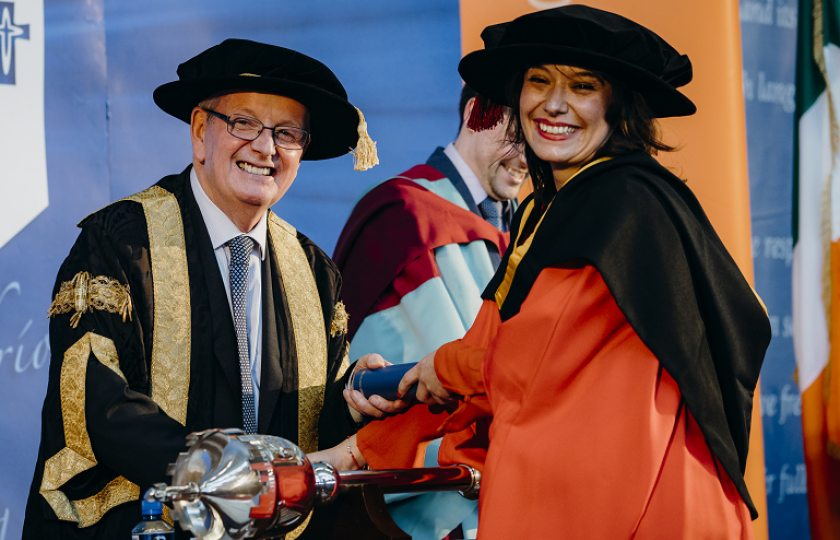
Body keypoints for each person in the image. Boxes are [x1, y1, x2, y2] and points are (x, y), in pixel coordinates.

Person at [334, 6, 772, 539]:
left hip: (645, 500)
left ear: (618, 106)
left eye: (582, 85)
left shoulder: (621, 207)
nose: (554, 103)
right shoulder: (551, 208)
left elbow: (519, 363)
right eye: (538, 80)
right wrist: (366, 444)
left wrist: (433, 372)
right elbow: (491, 349)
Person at [22, 38, 377, 539]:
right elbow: (99, 406)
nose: (266, 147)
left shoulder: (315, 272)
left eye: (287, 133)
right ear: (198, 131)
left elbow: (317, 428)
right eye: (244, 123)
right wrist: (234, 479)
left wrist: (356, 399)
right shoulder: (120, 243)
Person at [331, 83, 527, 539]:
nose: (524, 156)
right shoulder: (404, 215)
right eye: (515, 132)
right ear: (477, 111)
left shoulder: (526, 229)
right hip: (433, 505)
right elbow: (416, 380)